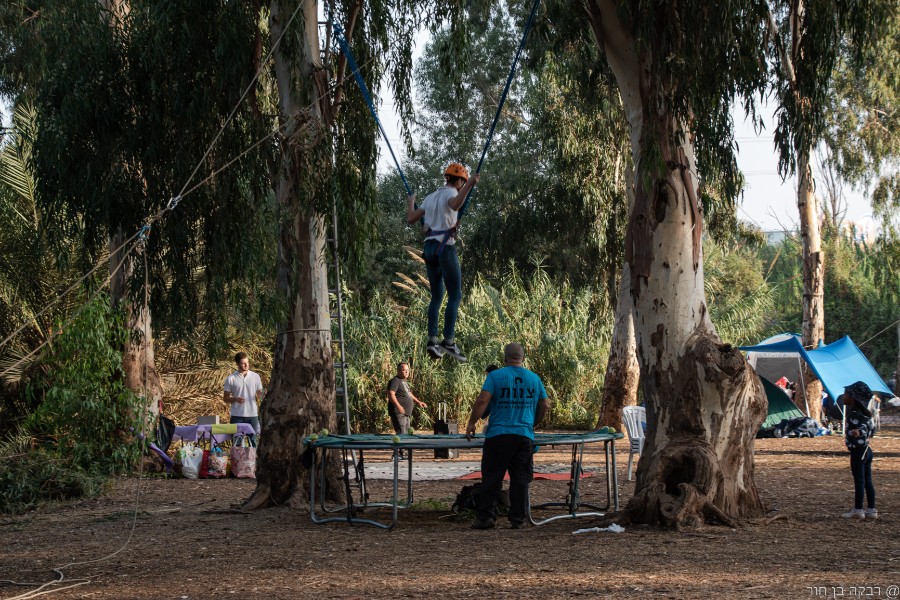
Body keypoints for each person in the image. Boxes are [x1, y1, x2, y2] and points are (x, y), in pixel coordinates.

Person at [465, 343, 550, 530]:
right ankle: (517, 519)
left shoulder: (496, 376)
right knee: (520, 479)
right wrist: (533, 423)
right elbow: (545, 404)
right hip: (523, 435)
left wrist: (472, 423)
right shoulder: (534, 379)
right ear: (523, 358)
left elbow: (482, 400)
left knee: (492, 477)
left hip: (498, 435)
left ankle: (486, 517)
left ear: (505, 358)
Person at [406, 163, 480, 362]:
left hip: (429, 248)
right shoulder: (450, 194)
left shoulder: (430, 197)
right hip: (444, 247)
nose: (461, 186)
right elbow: (455, 204)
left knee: (437, 296)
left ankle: (432, 340)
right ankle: (448, 341)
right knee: (455, 294)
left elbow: (411, 218)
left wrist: (411, 201)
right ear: (458, 181)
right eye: (462, 183)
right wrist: (471, 184)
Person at [840, 381, 877, 520]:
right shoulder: (866, 413)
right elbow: (872, 429)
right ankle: (871, 509)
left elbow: (861, 429)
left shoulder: (854, 414)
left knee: (859, 481)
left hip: (858, 452)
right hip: (867, 450)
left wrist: (857, 433)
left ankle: (858, 510)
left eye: (846, 394)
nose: (843, 397)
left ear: (853, 397)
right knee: (868, 480)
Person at [222, 352, 265, 442]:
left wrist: (263, 393)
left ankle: (253, 456)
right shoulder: (231, 378)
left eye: (247, 362)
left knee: (253, 442)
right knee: (236, 442)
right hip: (237, 415)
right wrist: (235, 399)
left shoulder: (255, 376)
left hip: (252, 415)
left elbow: (259, 395)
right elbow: (225, 398)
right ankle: (236, 456)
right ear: (237, 364)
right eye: (243, 363)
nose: (246, 365)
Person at [387, 361, 427, 435]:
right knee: (402, 434)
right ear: (398, 371)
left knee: (407, 435)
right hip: (399, 413)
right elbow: (391, 394)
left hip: (406, 413)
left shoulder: (403, 381)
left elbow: (409, 393)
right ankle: (399, 446)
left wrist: (418, 402)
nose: (406, 372)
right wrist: (399, 407)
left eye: (407, 370)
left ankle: (405, 446)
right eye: (404, 370)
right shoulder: (395, 380)